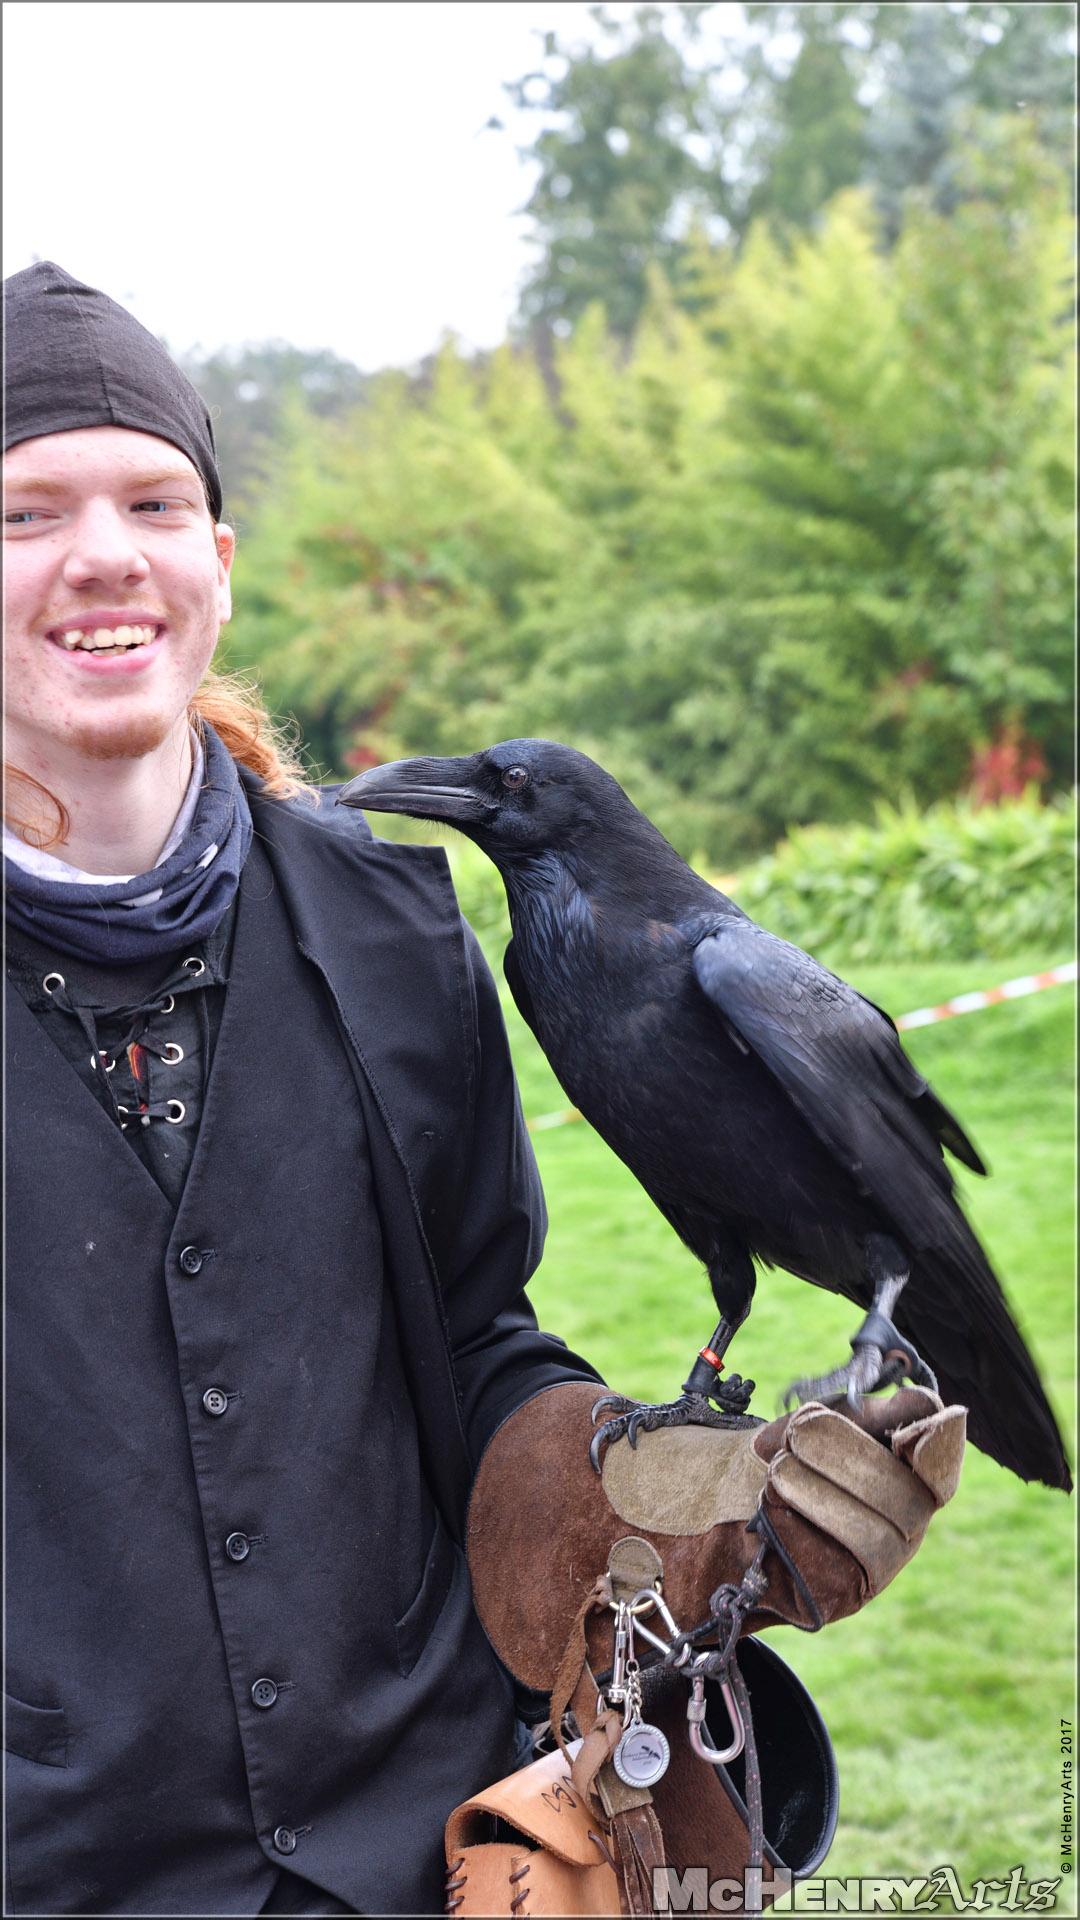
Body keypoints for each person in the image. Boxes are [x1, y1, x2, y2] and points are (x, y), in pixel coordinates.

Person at [3, 263, 966, 1920]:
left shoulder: (397, 933)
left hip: (430, 1859)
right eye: (26, 512)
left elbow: (468, 1335)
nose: (105, 553)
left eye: (153, 502)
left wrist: (619, 1515)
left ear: (216, 564)